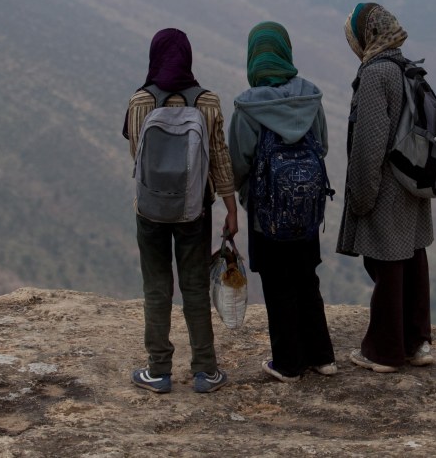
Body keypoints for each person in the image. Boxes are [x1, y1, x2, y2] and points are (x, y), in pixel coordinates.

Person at [123, 28, 238, 394]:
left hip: (151, 211)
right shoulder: (207, 102)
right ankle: (205, 371)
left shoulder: (140, 101)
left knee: (156, 289)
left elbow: (136, 158)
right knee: (194, 288)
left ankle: (158, 370)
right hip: (195, 211)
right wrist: (231, 209)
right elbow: (219, 159)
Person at [228, 22, 337, 383]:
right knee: (307, 278)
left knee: (278, 284)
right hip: (306, 211)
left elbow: (238, 163)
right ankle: (323, 357)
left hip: (266, 215)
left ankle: (289, 363)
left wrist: (250, 194)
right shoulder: (310, 99)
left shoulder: (247, 108)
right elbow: (321, 146)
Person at [337, 3, 434, 373]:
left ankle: (385, 351)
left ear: (366, 36)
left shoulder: (376, 74)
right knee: (412, 257)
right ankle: (417, 342)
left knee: (388, 263)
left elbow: (368, 145)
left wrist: (361, 196)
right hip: (413, 183)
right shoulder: (406, 67)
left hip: (387, 188)